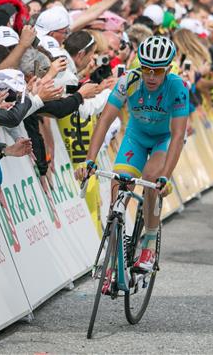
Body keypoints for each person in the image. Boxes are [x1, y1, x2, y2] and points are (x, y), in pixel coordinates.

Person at [75, 36, 189, 278]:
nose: (150, 76)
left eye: (157, 71)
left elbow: (178, 135)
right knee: (120, 182)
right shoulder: (129, 81)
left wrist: (165, 177)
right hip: (136, 137)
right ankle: (116, 250)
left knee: (151, 177)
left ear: (167, 69)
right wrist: (90, 160)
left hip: (164, 139)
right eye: (146, 68)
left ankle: (148, 242)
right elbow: (104, 120)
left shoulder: (177, 88)